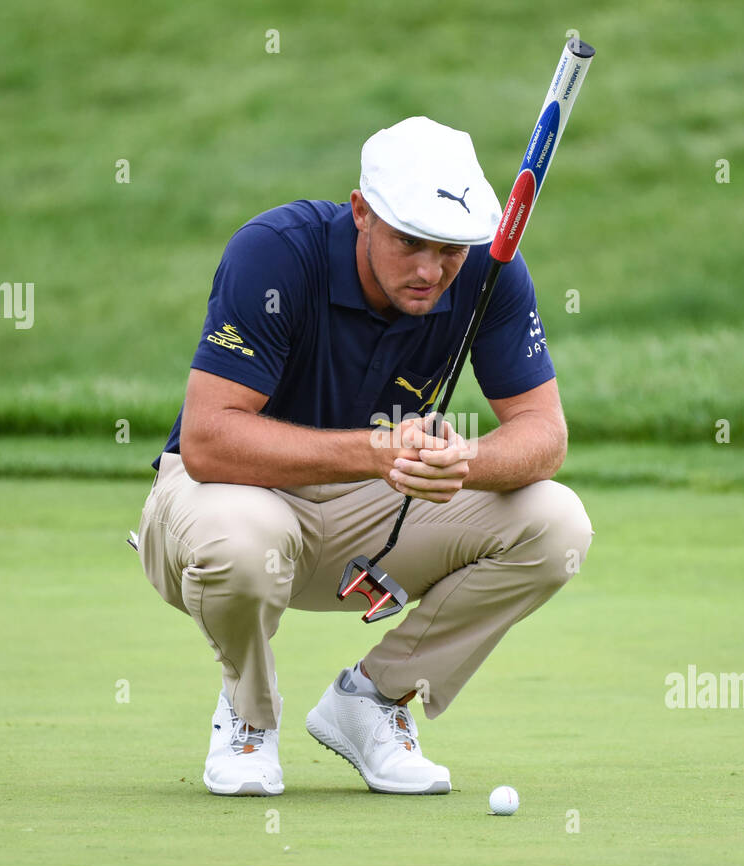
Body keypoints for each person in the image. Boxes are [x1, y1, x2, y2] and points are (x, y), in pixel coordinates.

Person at [135, 115, 593, 796]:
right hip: (230, 500)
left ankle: (373, 699)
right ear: (361, 213)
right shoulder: (275, 253)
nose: (431, 270)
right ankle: (250, 716)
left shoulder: (487, 273)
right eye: (411, 242)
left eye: (449, 250)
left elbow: (542, 433)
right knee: (240, 539)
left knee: (556, 524)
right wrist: (377, 450)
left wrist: (462, 461)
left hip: (372, 516)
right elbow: (208, 440)